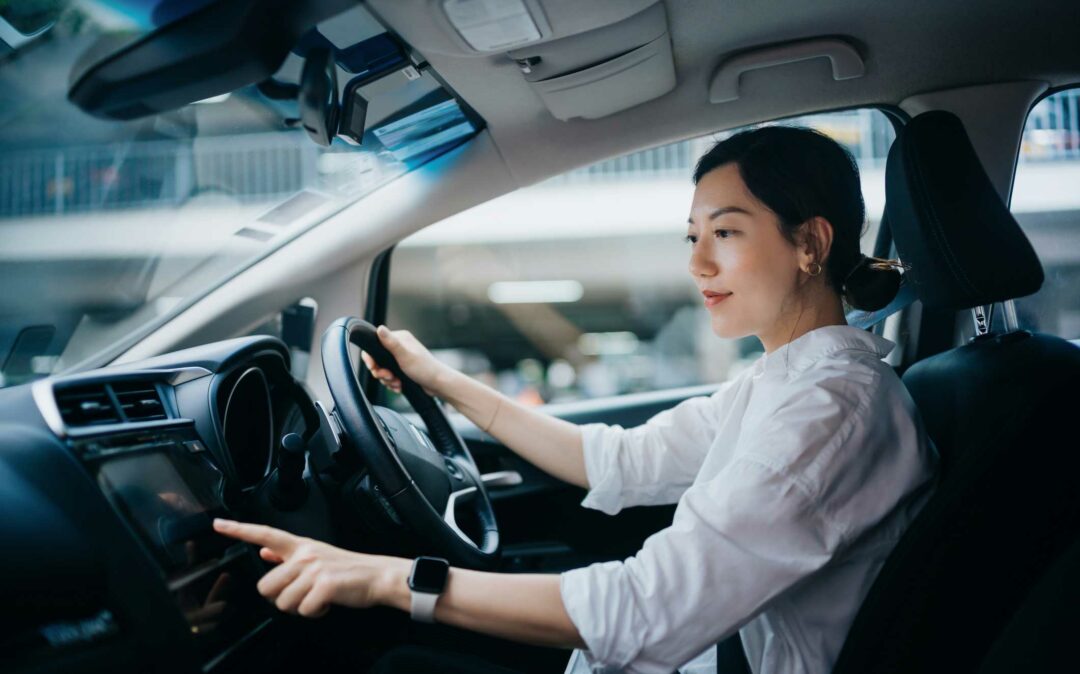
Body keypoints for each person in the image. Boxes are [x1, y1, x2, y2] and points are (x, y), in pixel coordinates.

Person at [213, 125, 939, 674]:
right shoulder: (783, 382)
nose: (697, 263)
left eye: (725, 233)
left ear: (810, 243)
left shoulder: (829, 412)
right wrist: (440, 381)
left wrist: (384, 578)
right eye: (693, 236)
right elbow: (617, 459)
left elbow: (650, 608)